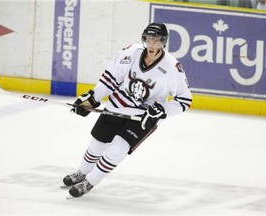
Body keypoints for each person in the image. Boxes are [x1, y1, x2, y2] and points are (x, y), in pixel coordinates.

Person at [63, 23, 193, 198]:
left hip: (143, 117)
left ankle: (91, 181)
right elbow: (110, 80)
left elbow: (184, 100)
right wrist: (92, 98)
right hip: (118, 104)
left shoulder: (172, 67)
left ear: (164, 42)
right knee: (97, 143)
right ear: (144, 39)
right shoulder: (131, 52)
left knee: (118, 149)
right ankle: (82, 172)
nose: (152, 44)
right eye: (149, 39)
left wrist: (162, 109)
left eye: (157, 40)